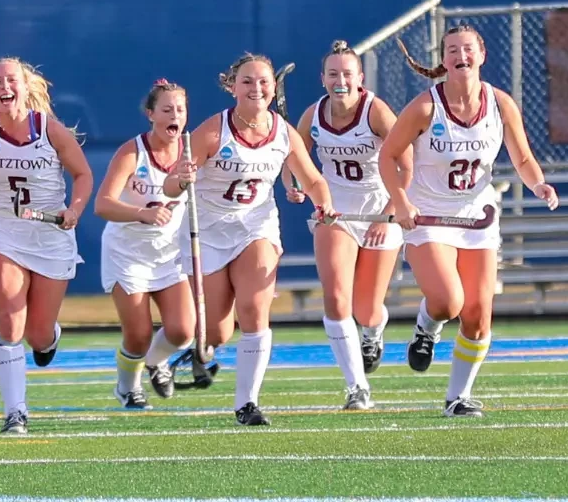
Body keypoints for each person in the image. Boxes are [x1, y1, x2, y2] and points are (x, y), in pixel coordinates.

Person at [379, 25, 557, 417]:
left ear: (481, 55)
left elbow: (523, 158)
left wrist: (539, 184)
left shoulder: (500, 104)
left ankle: (457, 397)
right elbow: (388, 155)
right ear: (443, 59)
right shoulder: (426, 107)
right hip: (429, 217)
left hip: (477, 218)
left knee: (477, 317)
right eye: (452, 49)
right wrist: (401, 201)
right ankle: (427, 325)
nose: (461, 55)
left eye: (468, 49)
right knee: (446, 301)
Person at [0, 58, 93, 435]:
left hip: (50, 234)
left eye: (11, 80)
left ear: (25, 88)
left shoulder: (50, 130)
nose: (3, 87)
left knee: (36, 335)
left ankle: (49, 337)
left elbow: (83, 174)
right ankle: (15, 412)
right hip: (5, 229)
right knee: (9, 317)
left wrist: (74, 208)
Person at [185, 53, 333, 425]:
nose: (256, 88)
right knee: (216, 331)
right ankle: (194, 350)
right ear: (233, 87)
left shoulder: (284, 132)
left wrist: (322, 202)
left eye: (264, 81)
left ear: (274, 87)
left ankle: (246, 403)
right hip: (210, 230)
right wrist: (179, 176)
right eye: (248, 81)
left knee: (254, 308)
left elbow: (313, 179)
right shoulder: (213, 131)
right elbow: (175, 177)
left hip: (256, 226)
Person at [297, 41, 401, 410]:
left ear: (360, 78)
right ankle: (357, 388)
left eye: (347, 74)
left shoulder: (376, 112)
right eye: (333, 74)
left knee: (367, 310)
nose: (340, 81)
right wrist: (296, 186)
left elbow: (409, 162)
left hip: (378, 208)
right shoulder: (313, 114)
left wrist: (390, 211)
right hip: (335, 212)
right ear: (322, 78)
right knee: (336, 297)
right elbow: (293, 158)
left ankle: (373, 333)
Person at [93, 79, 198, 409]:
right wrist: (142, 213)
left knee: (183, 331)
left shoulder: (193, 151)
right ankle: (128, 388)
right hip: (127, 253)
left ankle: (157, 362)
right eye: (167, 110)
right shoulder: (132, 152)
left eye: (180, 109)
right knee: (137, 336)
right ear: (151, 115)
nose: (175, 116)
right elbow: (103, 204)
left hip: (168, 254)